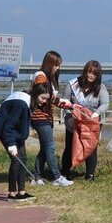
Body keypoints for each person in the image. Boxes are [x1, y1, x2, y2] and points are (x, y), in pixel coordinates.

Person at [0, 84, 48, 202]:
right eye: (43, 98)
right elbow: (8, 125)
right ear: (36, 95)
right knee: (16, 160)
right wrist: (10, 143)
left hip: (15, 132)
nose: (44, 101)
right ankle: (12, 194)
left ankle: (21, 192)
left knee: (23, 158)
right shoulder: (21, 104)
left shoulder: (29, 101)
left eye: (46, 99)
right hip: (5, 130)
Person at [29, 50, 74, 187]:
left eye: (59, 65)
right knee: (50, 146)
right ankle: (57, 177)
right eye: (55, 65)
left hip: (47, 117)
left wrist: (65, 104)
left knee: (44, 147)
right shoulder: (41, 76)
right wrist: (64, 103)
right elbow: (46, 96)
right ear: (48, 64)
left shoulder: (50, 78)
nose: (57, 68)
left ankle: (36, 177)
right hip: (39, 116)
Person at [60, 60, 109, 181]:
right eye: (89, 72)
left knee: (91, 148)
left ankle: (90, 175)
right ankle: (65, 173)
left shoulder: (101, 88)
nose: (91, 75)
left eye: (95, 74)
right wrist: (69, 114)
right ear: (85, 72)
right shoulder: (73, 85)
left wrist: (96, 113)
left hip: (90, 124)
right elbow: (64, 102)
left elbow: (105, 104)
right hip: (73, 122)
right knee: (70, 146)